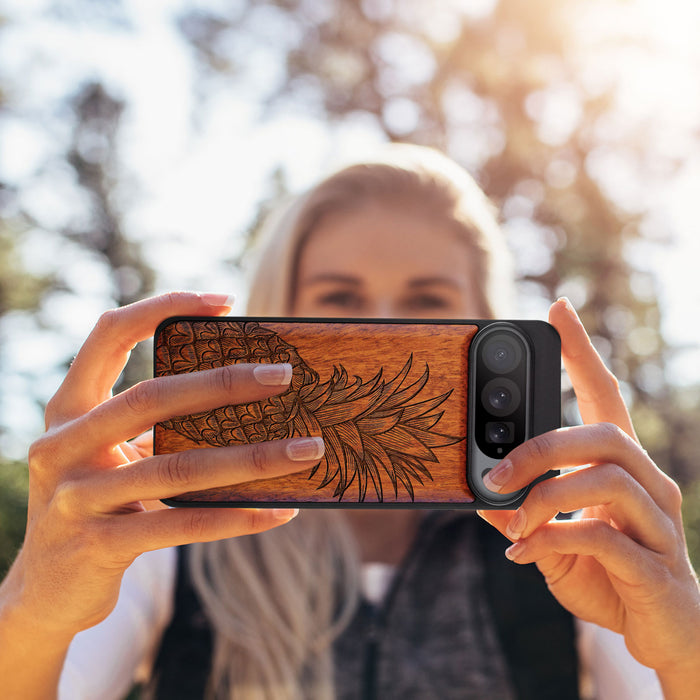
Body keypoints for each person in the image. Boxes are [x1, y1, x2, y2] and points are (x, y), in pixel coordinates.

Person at [0, 145, 698, 700]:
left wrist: (685, 648)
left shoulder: (567, 544)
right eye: (340, 300)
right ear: (277, 316)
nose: (384, 331)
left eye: (427, 302)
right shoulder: (171, 536)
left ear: (487, 323)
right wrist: (34, 607)